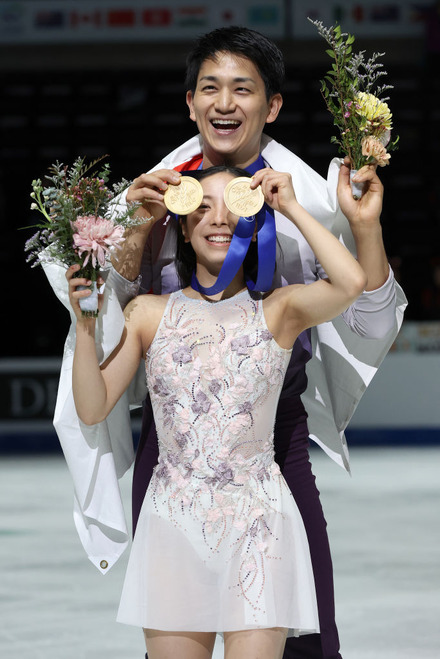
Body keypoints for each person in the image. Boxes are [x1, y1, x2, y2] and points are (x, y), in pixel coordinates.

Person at [42, 26, 407, 659]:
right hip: (173, 448)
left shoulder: (310, 200)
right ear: (190, 102)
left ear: (273, 106)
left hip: (274, 441)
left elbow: (365, 307)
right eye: (210, 88)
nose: (225, 103)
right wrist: (131, 231)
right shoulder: (154, 193)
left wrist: (360, 227)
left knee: (310, 639)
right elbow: (115, 315)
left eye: (244, 89)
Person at [68, 165, 367, 659]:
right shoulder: (147, 312)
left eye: (233, 203)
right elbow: (92, 404)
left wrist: (289, 204)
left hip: (259, 524)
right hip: (172, 527)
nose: (218, 217)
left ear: (254, 220)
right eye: (201, 206)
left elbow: (352, 281)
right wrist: (84, 326)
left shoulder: (279, 310)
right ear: (182, 225)